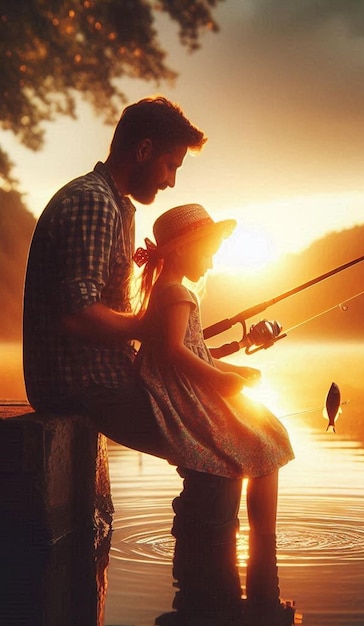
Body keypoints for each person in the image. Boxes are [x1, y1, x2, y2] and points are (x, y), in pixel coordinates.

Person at [21, 96, 284, 626]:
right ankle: (206, 589)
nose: (170, 180)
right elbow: (79, 315)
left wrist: (175, 341)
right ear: (143, 150)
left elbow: (124, 321)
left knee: (227, 442)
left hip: (106, 370)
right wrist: (152, 333)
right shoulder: (94, 202)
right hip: (83, 382)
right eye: (170, 165)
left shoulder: (116, 205)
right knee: (221, 456)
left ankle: (210, 581)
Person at [133, 203, 295, 626]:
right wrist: (219, 381)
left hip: (191, 384)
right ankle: (265, 543)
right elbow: (172, 352)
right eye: (208, 250)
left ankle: (263, 545)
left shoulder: (172, 291)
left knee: (269, 434)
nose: (212, 259)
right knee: (264, 439)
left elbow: (196, 351)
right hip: (184, 394)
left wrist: (232, 368)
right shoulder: (176, 293)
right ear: (185, 249)